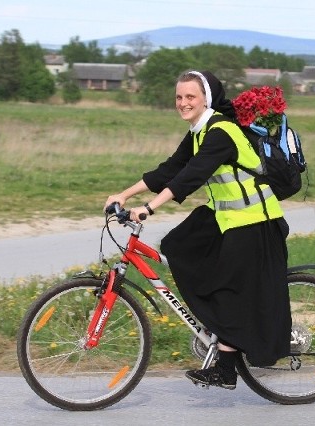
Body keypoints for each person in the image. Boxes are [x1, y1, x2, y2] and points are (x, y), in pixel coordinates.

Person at [104, 70, 291, 390]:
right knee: (177, 245)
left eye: (190, 96)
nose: (183, 103)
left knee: (225, 286)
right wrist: (125, 194)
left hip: (255, 221)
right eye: (179, 97)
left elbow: (190, 177)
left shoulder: (221, 132)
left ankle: (226, 368)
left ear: (206, 98)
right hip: (226, 218)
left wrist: (149, 208)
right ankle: (217, 330)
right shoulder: (198, 132)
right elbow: (170, 169)